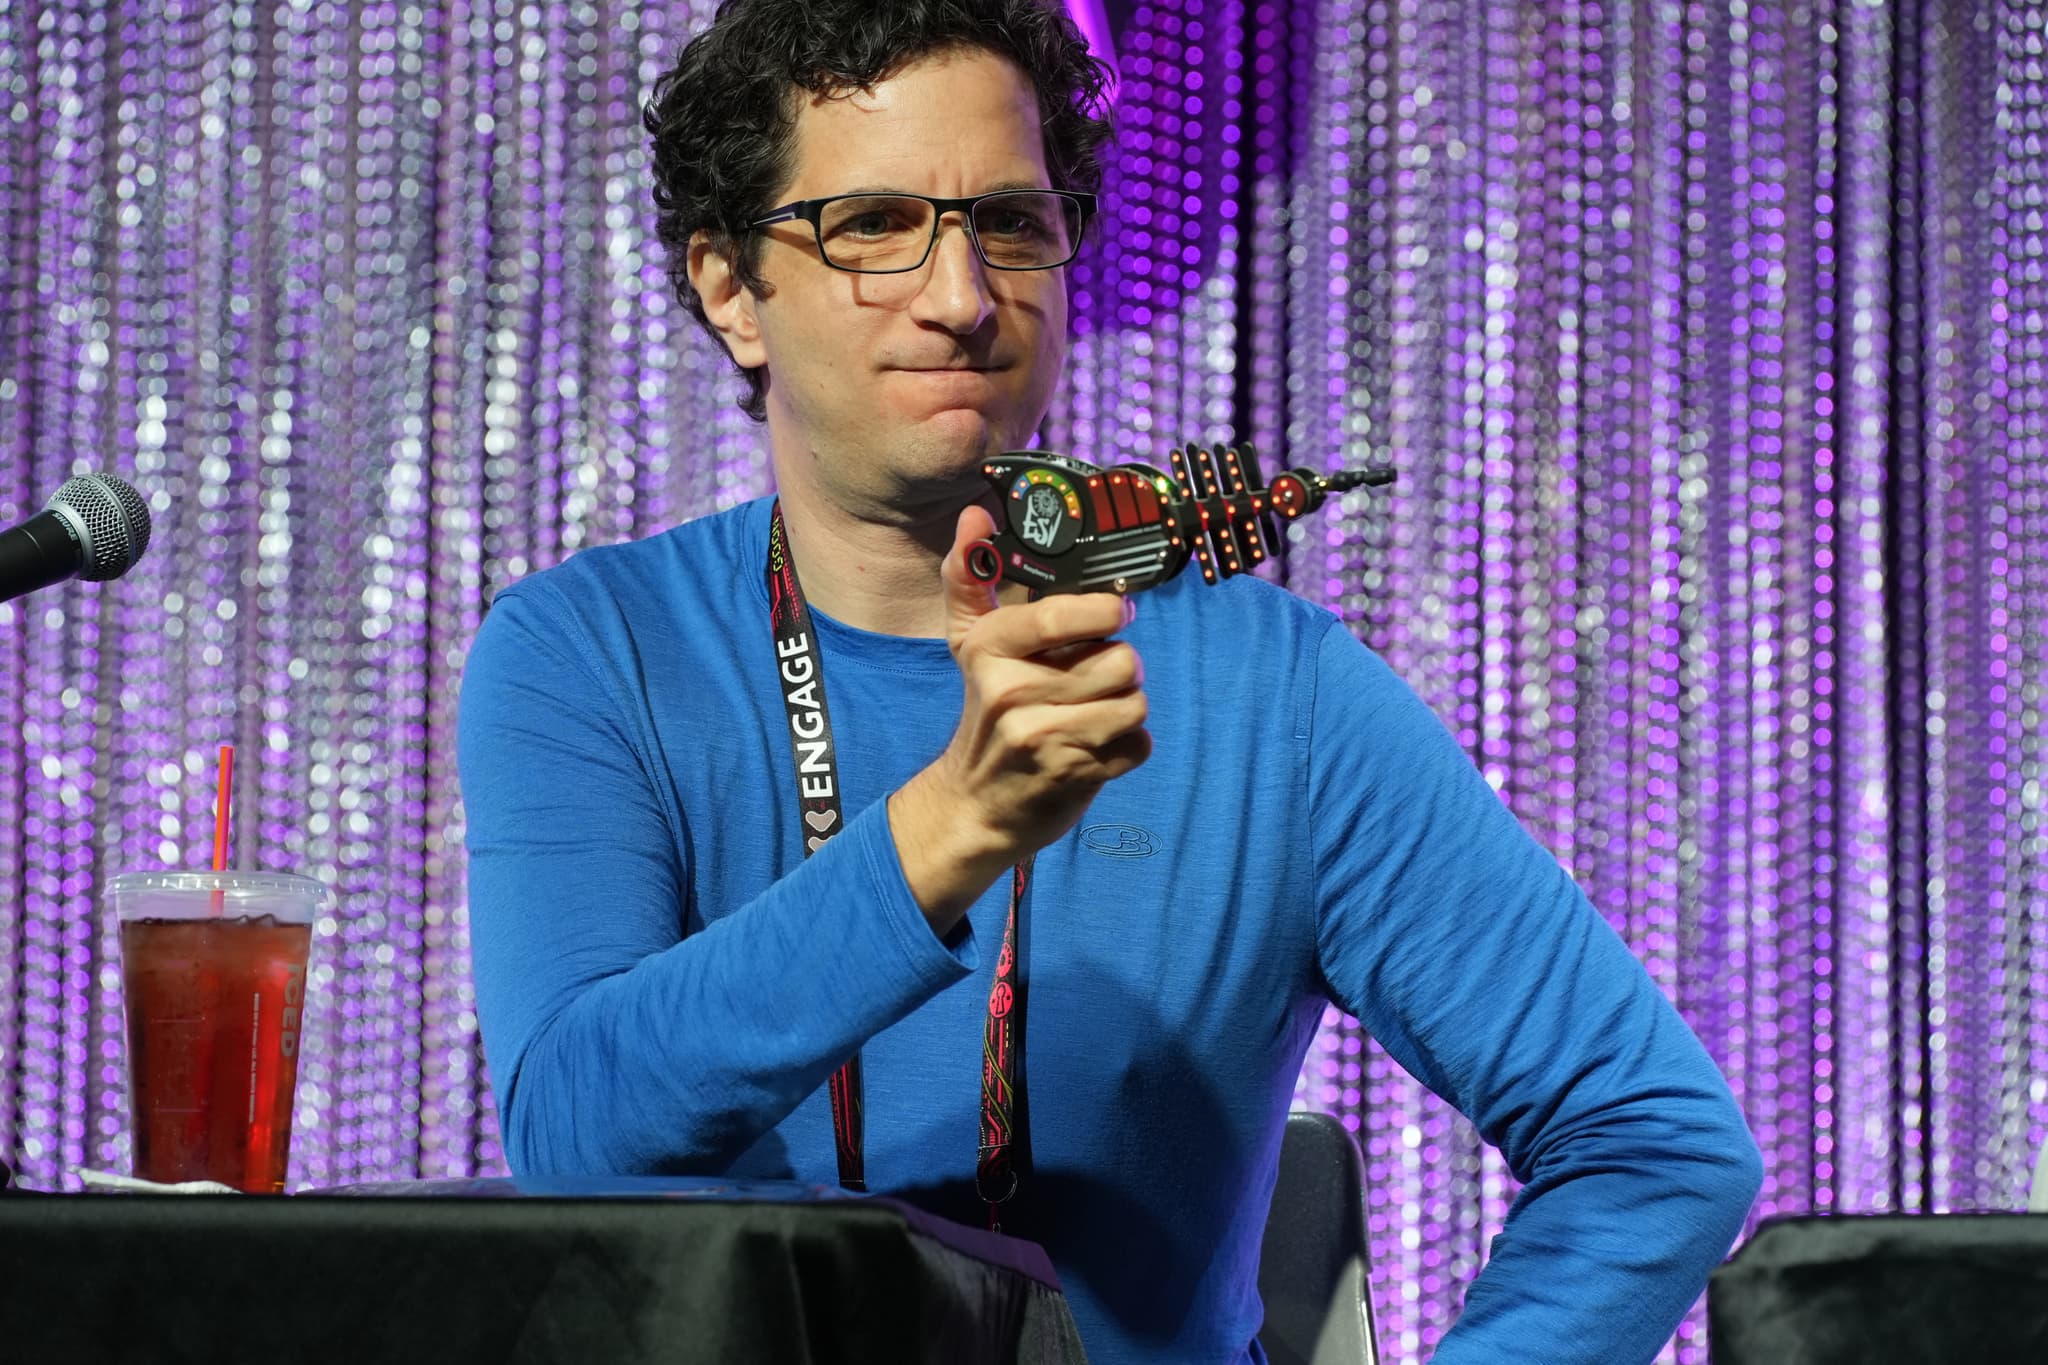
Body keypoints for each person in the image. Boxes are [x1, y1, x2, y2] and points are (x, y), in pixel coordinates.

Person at [456, 1, 1764, 1361]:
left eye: (1010, 223)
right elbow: (574, 1129)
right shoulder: (589, 653)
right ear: (732, 287)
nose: (962, 297)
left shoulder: (1277, 694)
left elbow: (1658, 1144)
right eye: (876, 225)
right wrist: (943, 833)